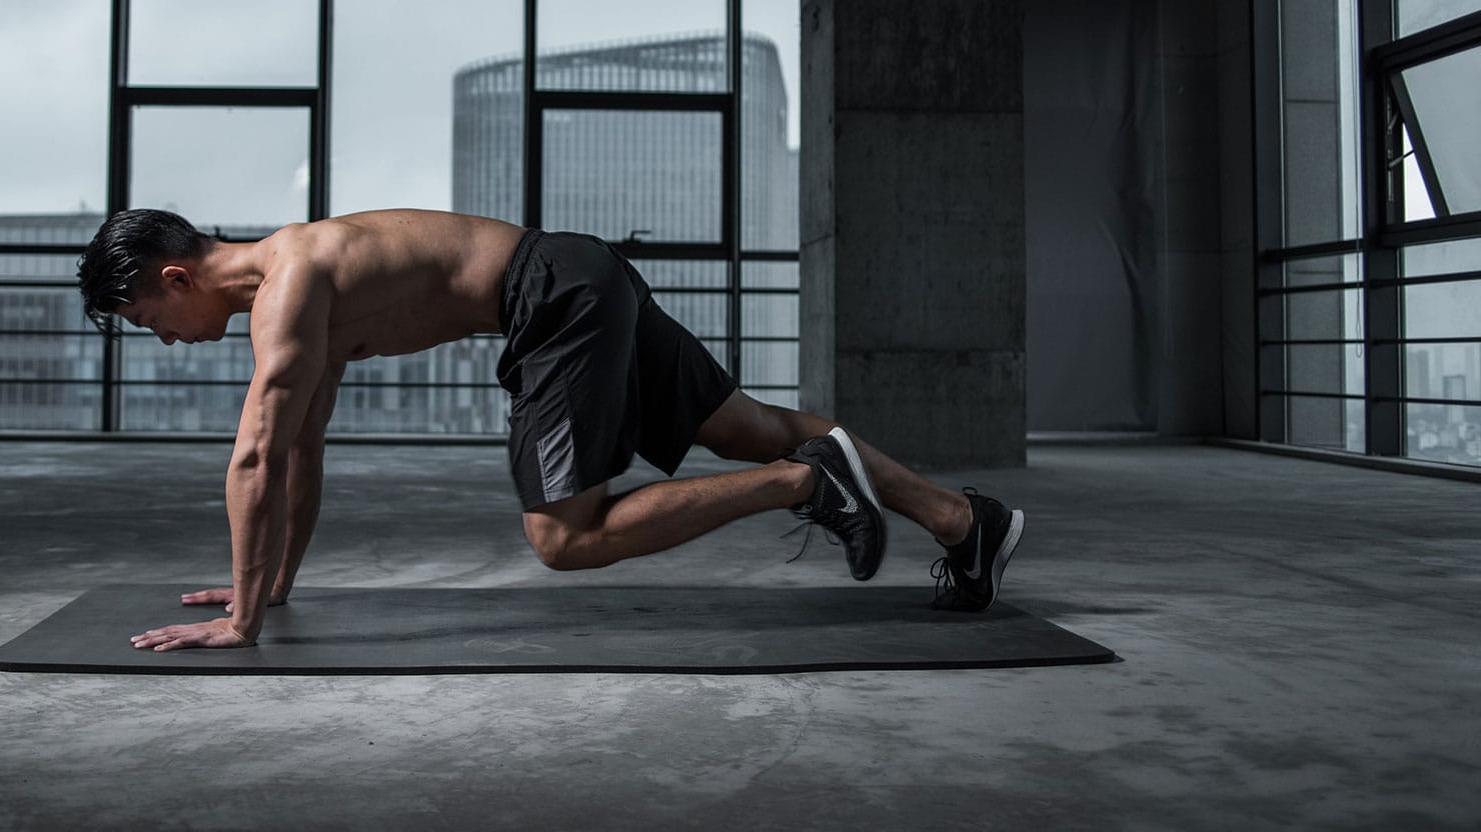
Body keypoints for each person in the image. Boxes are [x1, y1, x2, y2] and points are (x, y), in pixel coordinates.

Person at [76, 208, 1025, 652]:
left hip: (552, 296)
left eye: (149, 324)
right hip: (577, 272)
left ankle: (807, 485)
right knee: (749, 424)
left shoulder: (287, 289)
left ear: (174, 278)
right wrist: (271, 586)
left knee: (566, 537)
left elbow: (253, 455)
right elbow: (299, 448)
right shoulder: (296, 284)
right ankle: (961, 521)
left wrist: (242, 625)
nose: (163, 341)